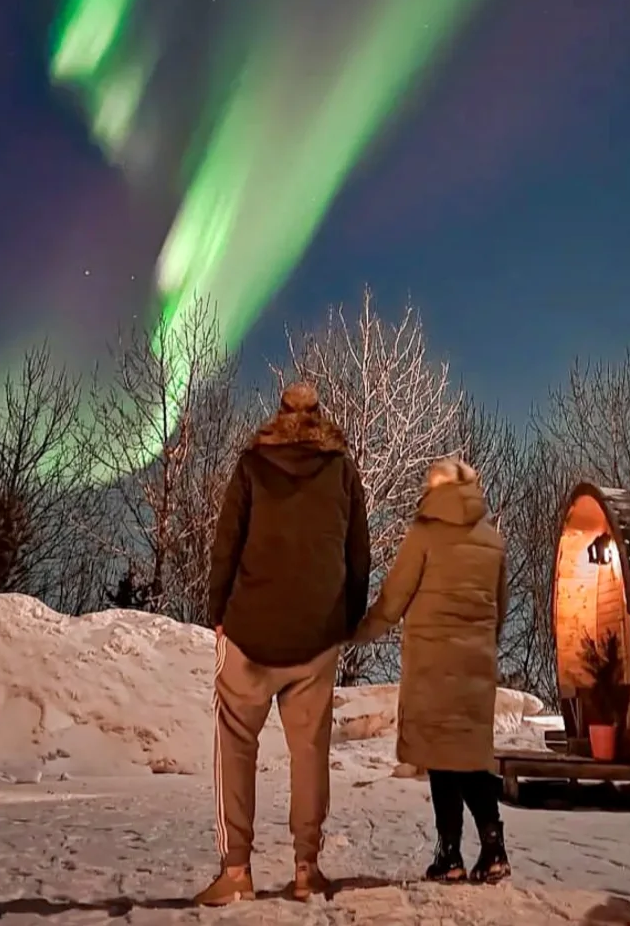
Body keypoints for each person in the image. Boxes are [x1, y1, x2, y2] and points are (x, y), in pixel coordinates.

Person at [195, 381, 371, 907]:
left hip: (250, 627)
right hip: (316, 634)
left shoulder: (252, 465)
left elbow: (227, 543)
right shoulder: (342, 470)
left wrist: (218, 612)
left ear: (278, 415)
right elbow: (358, 553)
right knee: (310, 750)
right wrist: (347, 617)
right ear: (321, 417)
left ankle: (236, 871)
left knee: (234, 744)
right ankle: (305, 869)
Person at [353, 456, 510, 885]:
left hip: (432, 663)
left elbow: (394, 599)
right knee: (471, 757)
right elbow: (500, 609)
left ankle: (450, 854)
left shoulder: (424, 534)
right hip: (476, 666)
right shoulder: (493, 542)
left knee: (443, 759)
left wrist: (358, 631)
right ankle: (493, 848)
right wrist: (482, 651)